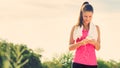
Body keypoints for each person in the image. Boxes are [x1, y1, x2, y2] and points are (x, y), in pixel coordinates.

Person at [69, 1, 100, 68]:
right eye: (85, 16)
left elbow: (98, 48)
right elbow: (70, 47)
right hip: (78, 63)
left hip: (92, 64)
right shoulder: (75, 28)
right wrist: (80, 43)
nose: (88, 19)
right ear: (81, 15)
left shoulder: (96, 28)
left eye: (90, 16)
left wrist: (93, 42)